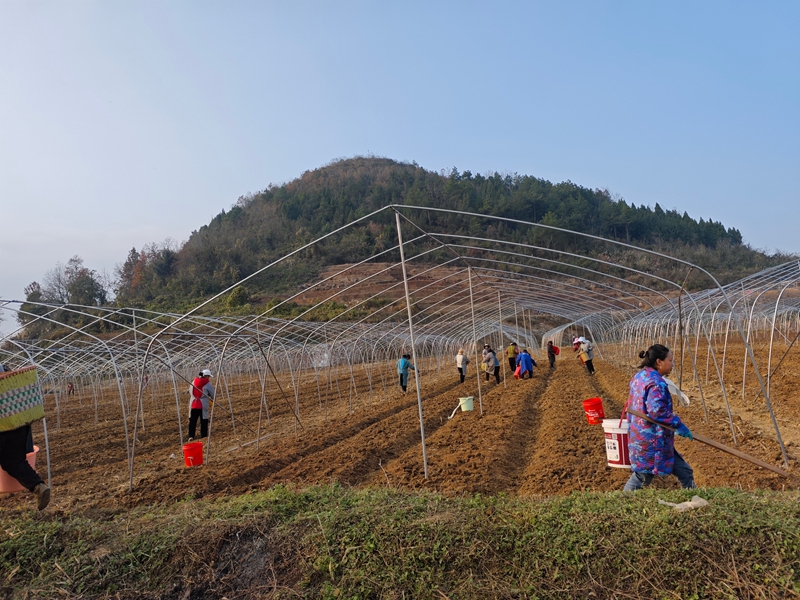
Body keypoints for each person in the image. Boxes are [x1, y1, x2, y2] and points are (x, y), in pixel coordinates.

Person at [623, 344, 696, 492]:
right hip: (651, 441)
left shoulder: (640, 376)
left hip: (644, 436)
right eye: (670, 360)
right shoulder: (656, 383)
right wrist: (678, 424)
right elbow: (657, 412)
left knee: (685, 471)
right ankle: (622, 501)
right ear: (659, 362)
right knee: (642, 477)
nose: (672, 364)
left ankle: (694, 498)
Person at [0, 365, 50, 510]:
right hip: (17, 419)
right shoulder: (7, 371)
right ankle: (38, 486)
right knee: (14, 461)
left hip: (2, 425)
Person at [188, 369, 215, 440]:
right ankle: (203, 435)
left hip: (194, 403)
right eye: (208, 376)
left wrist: (194, 397)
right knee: (204, 420)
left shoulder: (193, 381)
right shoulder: (207, 383)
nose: (208, 378)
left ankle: (191, 435)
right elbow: (213, 393)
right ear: (205, 376)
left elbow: (190, 391)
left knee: (193, 420)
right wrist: (212, 398)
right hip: (203, 404)